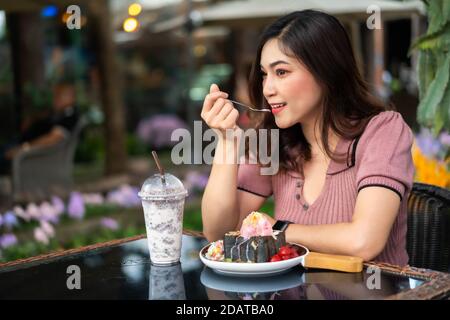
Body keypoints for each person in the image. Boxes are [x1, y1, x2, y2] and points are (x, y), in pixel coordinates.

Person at [200, 10, 414, 266]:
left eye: (281, 72)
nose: (267, 89)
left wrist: (279, 230)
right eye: (264, 74)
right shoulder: (276, 140)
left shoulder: (383, 131)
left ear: (325, 71)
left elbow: (364, 241)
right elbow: (218, 234)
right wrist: (226, 142)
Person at [0, 83, 79, 174]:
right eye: (55, 96)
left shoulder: (70, 116)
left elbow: (53, 138)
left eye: (60, 96)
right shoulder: (59, 113)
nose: (55, 100)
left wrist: (25, 148)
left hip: (27, 152)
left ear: (72, 98)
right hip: (21, 144)